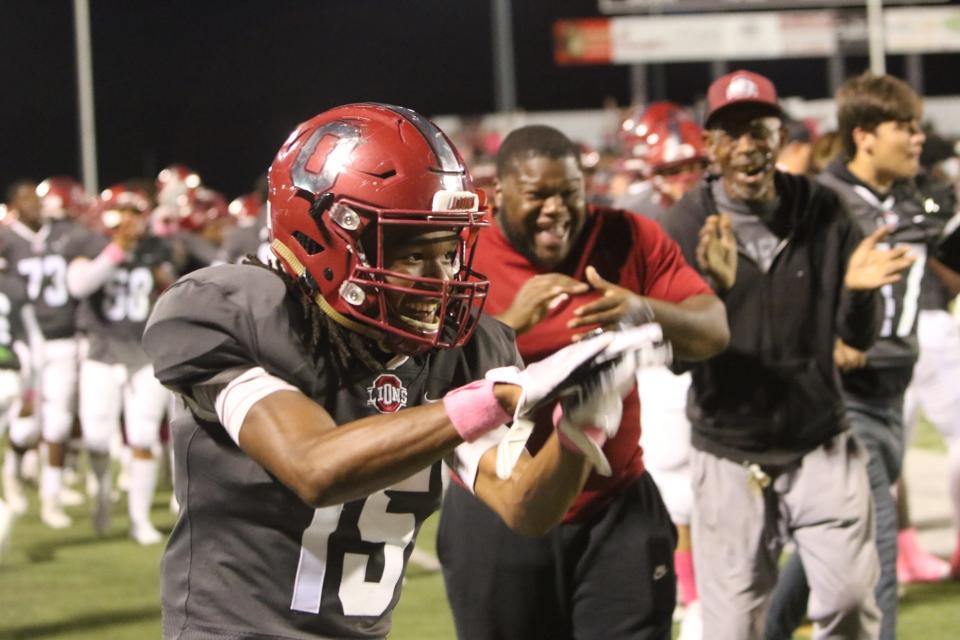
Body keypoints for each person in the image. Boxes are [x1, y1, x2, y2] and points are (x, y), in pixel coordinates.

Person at [141, 103, 658, 640]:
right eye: (412, 256)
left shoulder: (462, 349)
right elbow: (314, 467)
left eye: (450, 252)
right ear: (325, 241)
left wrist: (580, 427)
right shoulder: (234, 314)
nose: (442, 281)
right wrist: (497, 397)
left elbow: (524, 505)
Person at [437, 124, 730, 640]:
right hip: (500, 507)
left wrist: (644, 308)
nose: (557, 209)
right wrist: (508, 325)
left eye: (569, 193)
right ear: (499, 194)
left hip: (613, 503)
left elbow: (712, 331)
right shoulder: (459, 254)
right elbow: (424, 373)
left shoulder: (628, 236)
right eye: (538, 195)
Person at [660, 69, 915, 640]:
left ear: (780, 136)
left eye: (761, 130)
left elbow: (860, 337)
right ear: (711, 146)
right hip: (729, 446)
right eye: (732, 132)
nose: (748, 145)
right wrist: (715, 295)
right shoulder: (685, 223)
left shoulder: (823, 209)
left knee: (852, 600)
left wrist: (861, 293)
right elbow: (677, 359)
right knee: (734, 626)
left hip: (819, 436)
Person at [766, 72, 958, 640]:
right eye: (906, 127)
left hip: (896, 390)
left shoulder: (923, 193)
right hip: (840, 395)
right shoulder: (818, 201)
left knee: (831, 538)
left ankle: (764, 628)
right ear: (865, 135)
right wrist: (827, 337)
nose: (919, 138)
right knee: (874, 536)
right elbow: (780, 295)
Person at [67, 185, 176, 544]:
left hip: (143, 350)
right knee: (97, 439)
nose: (131, 220)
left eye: (136, 212)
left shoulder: (154, 249)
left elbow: (169, 288)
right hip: (102, 349)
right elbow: (80, 285)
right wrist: (118, 250)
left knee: (143, 435)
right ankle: (101, 495)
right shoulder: (88, 244)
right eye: (124, 212)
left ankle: (138, 519)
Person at [0, 179, 99, 528]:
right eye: (24, 199)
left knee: (58, 421)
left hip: (64, 338)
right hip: (23, 342)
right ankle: (12, 471)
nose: (34, 204)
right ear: (13, 206)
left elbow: (103, 246)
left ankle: (50, 499)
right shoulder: (6, 237)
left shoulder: (65, 233)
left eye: (35, 198)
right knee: (26, 425)